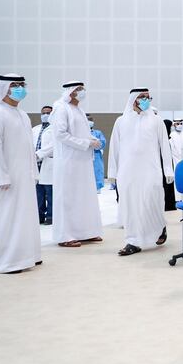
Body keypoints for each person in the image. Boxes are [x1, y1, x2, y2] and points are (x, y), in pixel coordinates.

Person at [108, 88, 174, 256]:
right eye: (142, 97)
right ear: (133, 100)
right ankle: (132, 241)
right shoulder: (121, 121)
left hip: (150, 169)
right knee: (130, 206)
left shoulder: (156, 121)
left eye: (148, 97)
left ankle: (160, 227)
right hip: (127, 171)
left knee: (152, 201)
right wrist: (113, 173)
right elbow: (114, 148)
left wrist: (168, 169)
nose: (146, 100)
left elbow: (164, 146)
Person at [0, 75, 42, 273]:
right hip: (6, 178)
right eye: (15, 85)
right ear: (4, 88)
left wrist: (34, 171)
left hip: (25, 175)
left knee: (26, 215)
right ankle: (7, 260)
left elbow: (29, 148)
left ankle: (27, 255)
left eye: (22, 84)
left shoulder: (23, 115)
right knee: (7, 217)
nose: (20, 88)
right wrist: (1, 175)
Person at [51, 81, 103, 248]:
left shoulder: (79, 109)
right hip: (68, 162)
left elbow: (82, 132)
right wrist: (85, 143)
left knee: (84, 196)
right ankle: (66, 235)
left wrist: (91, 140)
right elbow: (60, 134)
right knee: (68, 197)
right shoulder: (61, 108)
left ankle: (85, 232)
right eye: (79, 89)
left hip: (83, 161)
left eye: (83, 89)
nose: (82, 92)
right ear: (70, 91)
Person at [33, 105, 55, 225]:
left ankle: (50, 216)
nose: (45, 115)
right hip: (36, 165)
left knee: (50, 193)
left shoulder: (56, 128)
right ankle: (39, 216)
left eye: (48, 113)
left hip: (48, 163)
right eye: (43, 113)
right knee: (38, 194)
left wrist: (39, 154)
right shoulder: (35, 129)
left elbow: (53, 145)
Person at [87, 114, 106, 193]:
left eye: (90, 120)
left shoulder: (98, 133)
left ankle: (98, 187)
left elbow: (102, 143)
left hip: (96, 155)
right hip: (84, 156)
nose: (89, 122)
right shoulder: (79, 133)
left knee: (97, 170)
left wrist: (95, 144)